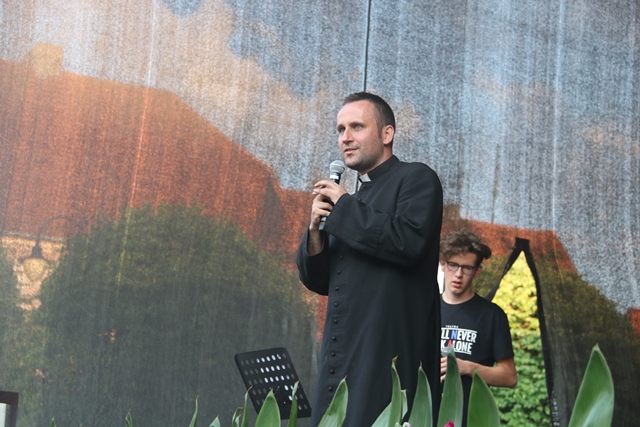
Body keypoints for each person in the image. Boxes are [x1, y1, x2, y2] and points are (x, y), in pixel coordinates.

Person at [297, 92, 443, 427]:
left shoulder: (416, 178)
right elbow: (319, 280)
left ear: (387, 134)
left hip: (388, 353)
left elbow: (407, 243)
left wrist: (344, 207)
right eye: (340, 129)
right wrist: (315, 229)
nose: (345, 137)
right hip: (342, 353)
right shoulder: (350, 201)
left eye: (357, 127)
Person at [439, 229, 517, 426]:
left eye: (467, 268)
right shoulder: (425, 310)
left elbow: (509, 377)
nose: (458, 274)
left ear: (477, 271)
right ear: (442, 265)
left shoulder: (492, 315)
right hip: (425, 415)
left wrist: (467, 368)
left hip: (472, 418)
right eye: (453, 265)